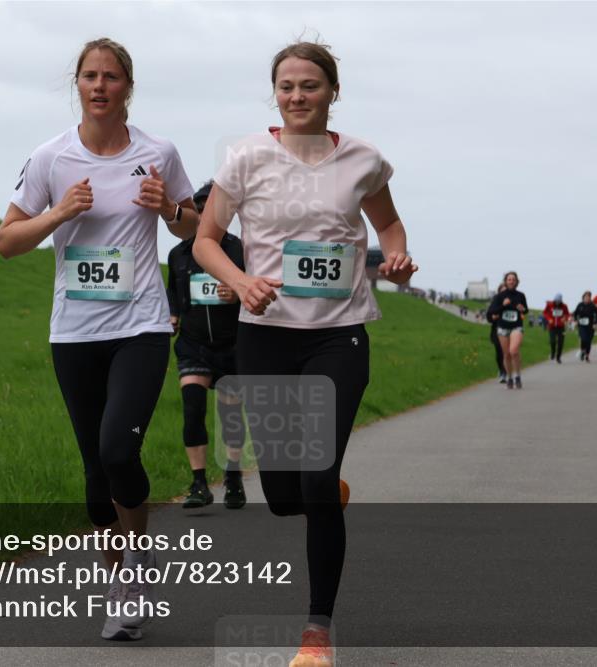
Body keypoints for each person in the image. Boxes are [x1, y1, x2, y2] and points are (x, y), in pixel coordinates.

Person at [193, 40, 416, 667]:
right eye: (287, 86)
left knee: (315, 478)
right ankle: (321, 491)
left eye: (310, 86)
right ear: (276, 93)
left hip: (338, 334)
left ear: (332, 92)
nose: (297, 97)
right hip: (264, 334)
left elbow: (388, 225)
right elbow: (208, 240)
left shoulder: (364, 161)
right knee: (286, 494)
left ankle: (317, 632)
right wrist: (240, 283)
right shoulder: (246, 158)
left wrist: (394, 255)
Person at [0, 38, 199, 641]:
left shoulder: (158, 152)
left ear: (127, 87)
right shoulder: (50, 158)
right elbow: (7, 241)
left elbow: (195, 229)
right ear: (78, 85)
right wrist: (57, 216)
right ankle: (121, 587)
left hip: (140, 326)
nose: (101, 86)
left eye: (112, 77)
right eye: (90, 76)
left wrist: (168, 209)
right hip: (74, 331)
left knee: (118, 451)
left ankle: (135, 561)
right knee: (93, 470)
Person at [167, 181, 248, 509]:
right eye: (198, 208)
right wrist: (171, 315)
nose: (203, 214)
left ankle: (233, 478)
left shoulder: (240, 249)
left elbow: (256, 290)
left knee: (230, 415)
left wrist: (238, 293)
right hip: (193, 342)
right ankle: (199, 483)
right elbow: (173, 291)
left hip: (232, 344)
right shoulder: (178, 254)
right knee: (192, 408)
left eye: (210, 209)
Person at [488, 271, 528, 389]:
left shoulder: (521, 295)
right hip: (503, 328)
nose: (511, 281)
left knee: (513, 351)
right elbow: (492, 312)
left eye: (513, 279)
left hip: (516, 326)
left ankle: (518, 376)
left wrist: (522, 308)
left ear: (516, 282)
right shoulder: (499, 297)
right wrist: (503, 305)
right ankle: (509, 377)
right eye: (509, 279)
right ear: (506, 281)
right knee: (506, 355)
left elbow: (526, 310)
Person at [487, 283, 508, 382]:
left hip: (509, 330)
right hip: (497, 330)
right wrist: (492, 317)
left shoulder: (512, 301)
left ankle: (505, 372)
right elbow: (489, 315)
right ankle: (501, 370)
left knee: (507, 352)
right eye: (502, 291)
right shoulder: (495, 301)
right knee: (499, 352)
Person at [572, 291, 597, 361]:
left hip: (590, 326)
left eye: (588, 298)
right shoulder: (580, 305)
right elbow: (575, 314)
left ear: (590, 298)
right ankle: (582, 350)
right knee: (583, 339)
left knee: (589, 341)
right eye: (585, 297)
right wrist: (575, 320)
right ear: (583, 298)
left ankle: (587, 355)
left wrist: (595, 323)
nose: (587, 299)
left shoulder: (592, 306)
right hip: (581, 325)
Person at [543, 293, 570, 363]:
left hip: (561, 327)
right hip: (552, 326)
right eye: (556, 301)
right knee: (552, 341)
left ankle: (558, 357)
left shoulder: (564, 306)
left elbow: (567, 314)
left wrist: (565, 318)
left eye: (559, 301)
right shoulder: (549, 305)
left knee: (561, 342)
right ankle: (552, 353)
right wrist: (549, 319)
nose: (557, 303)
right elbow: (545, 313)